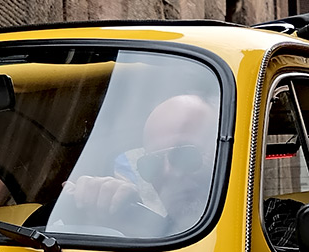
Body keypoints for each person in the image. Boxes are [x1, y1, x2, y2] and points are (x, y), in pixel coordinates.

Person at [57, 92, 219, 236]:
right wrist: (109, 219)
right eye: (151, 164)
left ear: (222, 150)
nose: (169, 172)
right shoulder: (154, 241)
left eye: (184, 154)